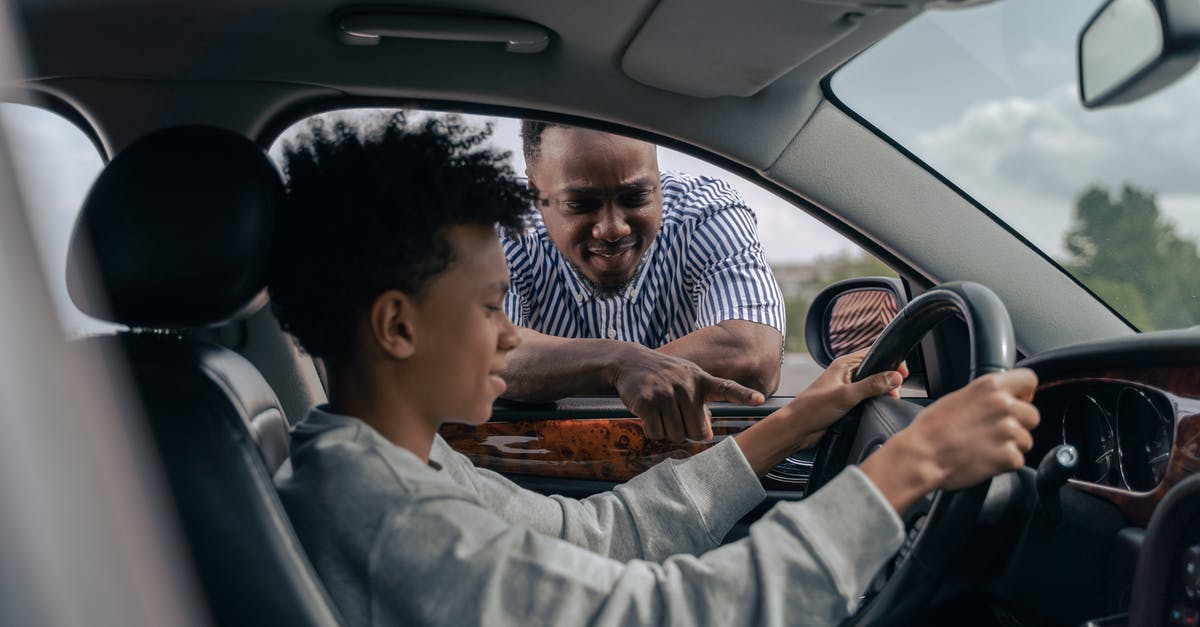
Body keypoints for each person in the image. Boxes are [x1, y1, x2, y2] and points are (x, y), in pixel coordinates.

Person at [269, 113, 1040, 627]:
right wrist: (914, 461)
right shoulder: (388, 512)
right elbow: (660, 613)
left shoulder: (402, 462)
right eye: (491, 308)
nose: (513, 339)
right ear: (397, 326)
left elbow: (601, 532)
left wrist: (795, 420)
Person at [500, 122, 786, 441]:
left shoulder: (705, 212)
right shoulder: (500, 224)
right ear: (534, 192)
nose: (612, 229)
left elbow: (752, 353)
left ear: (658, 178)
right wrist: (618, 364)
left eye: (635, 197)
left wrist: (621, 372)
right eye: (580, 204)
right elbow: (487, 353)